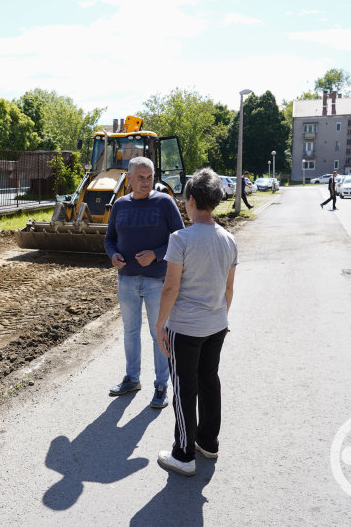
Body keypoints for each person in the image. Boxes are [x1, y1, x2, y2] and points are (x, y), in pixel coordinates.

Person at [154, 168, 237, 476]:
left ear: (190, 200)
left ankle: (183, 454)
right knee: (209, 381)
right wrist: (223, 317)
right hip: (217, 326)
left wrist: (160, 325)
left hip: (186, 329)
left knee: (185, 389)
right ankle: (208, 442)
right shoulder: (229, 240)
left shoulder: (181, 239)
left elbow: (171, 288)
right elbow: (229, 289)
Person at [105, 156, 185, 409]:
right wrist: (113, 255)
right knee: (130, 332)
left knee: (158, 332)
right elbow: (109, 239)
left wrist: (156, 254)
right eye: (140, 177)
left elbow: (180, 236)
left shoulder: (164, 202)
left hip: (157, 280)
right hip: (126, 279)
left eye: (149, 177)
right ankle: (132, 378)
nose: (146, 182)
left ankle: (161, 385)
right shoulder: (120, 205)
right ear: (129, 178)